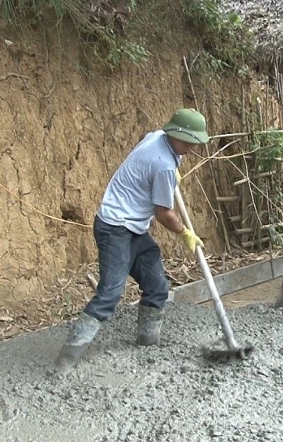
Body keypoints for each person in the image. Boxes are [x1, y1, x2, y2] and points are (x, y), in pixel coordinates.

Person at [55, 108, 209, 370]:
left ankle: (148, 342)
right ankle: (67, 358)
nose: (194, 147)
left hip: (135, 228)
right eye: (191, 142)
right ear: (177, 136)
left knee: (157, 285)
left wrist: (171, 174)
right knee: (110, 293)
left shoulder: (158, 137)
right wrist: (184, 232)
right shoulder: (163, 166)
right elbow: (163, 213)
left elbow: (148, 154)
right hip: (115, 227)